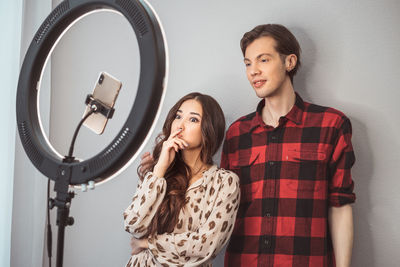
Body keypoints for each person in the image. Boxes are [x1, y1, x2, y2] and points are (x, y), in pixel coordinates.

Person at [221, 24, 355, 267]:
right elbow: (217, 206)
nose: (253, 71)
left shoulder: (331, 126)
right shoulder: (236, 134)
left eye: (263, 60)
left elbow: (340, 205)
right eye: (248, 63)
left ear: (289, 62)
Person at [123, 92, 240, 267]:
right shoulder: (158, 173)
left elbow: (206, 246)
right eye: (178, 116)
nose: (180, 125)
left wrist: (148, 243)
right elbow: (133, 225)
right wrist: (159, 169)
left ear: (208, 129)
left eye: (193, 120)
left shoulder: (224, 182)